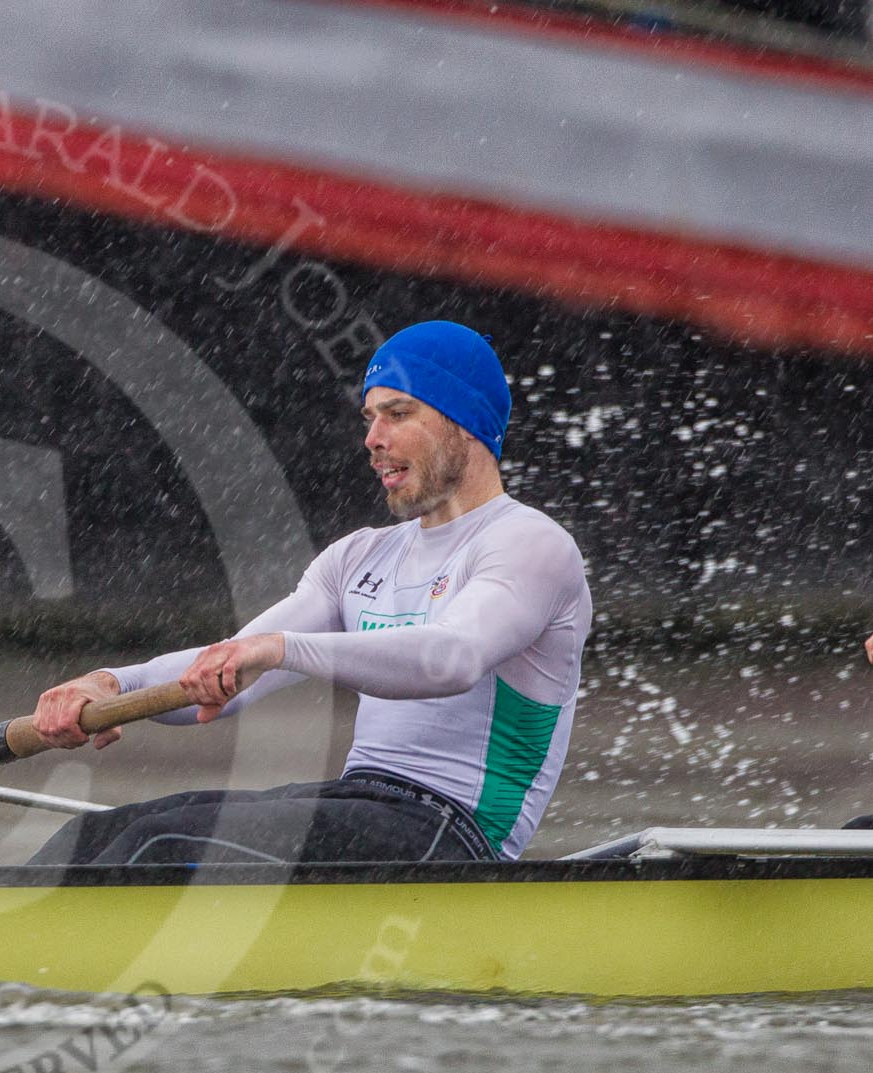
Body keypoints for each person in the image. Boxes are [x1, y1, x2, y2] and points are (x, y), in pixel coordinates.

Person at [30, 321, 591, 867]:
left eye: (398, 414)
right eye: (370, 418)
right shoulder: (359, 557)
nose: (373, 439)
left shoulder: (531, 545)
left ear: (465, 423)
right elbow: (226, 679)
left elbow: (452, 658)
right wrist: (108, 684)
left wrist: (280, 649)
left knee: (161, 847)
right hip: (360, 801)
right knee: (93, 836)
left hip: (456, 837)